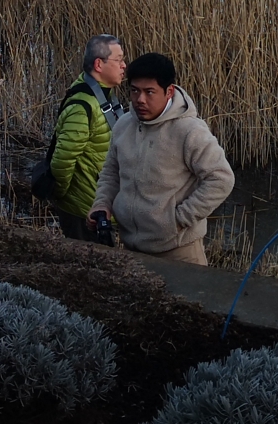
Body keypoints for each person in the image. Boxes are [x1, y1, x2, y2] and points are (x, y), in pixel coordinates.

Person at [89, 52, 234, 266]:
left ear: (169, 92)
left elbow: (221, 179)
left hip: (179, 253)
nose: (140, 99)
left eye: (149, 92)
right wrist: (101, 204)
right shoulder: (123, 125)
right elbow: (111, 172)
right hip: (130, 247)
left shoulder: (189, 131)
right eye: (135, 91)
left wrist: (178, 220)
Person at [48, 35, 125, 241]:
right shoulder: (82, 108)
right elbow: (62, 161)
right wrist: (66, 199)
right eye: (118, 60)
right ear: (99, 64)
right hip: (83, 211)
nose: (124, 66)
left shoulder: (104, 94)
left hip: (99, 206)